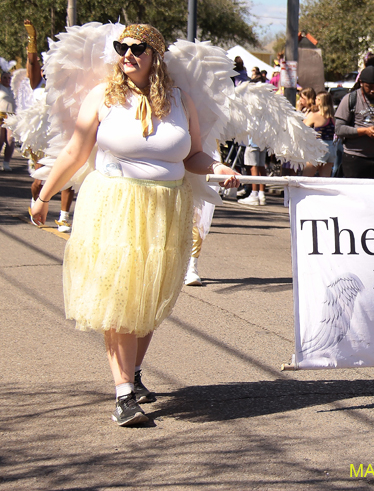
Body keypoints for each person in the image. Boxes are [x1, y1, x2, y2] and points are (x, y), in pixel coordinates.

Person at [29, 24, 240, 426]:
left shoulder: (181, 101)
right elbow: (75, 152)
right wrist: (44, 197)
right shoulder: (103, 98)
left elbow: (193, 155)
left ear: (155, 55)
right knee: (120, 299)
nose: (127, 53)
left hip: (165, 208)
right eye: (122, 47)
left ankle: (134, 373)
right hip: (114, 205)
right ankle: (123, 394)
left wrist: (217, 167)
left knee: (148, 296)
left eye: (137, 48)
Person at [334, 66, 374, 179]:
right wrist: (364, 131)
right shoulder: (350, 99)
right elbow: (339, 129)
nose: (373, 90)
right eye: (369, 87)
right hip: (354, 159)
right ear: (361, 83)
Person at [303, 91, 336, 178]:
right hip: (331, 147)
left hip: (318, 147)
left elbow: (302, 128)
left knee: (306, 178)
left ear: (320, 101)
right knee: (324, 180)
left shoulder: (314, 115)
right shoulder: (333, 117)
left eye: (317, 99)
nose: (315, 101)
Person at [0, 70, 15, 171]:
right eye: (5, 77)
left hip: (12, 117)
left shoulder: (14, 89)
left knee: (10, 140)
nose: (7, 80)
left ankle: (6, 163)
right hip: (0, 115)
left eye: (9, 78)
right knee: (0, 140)